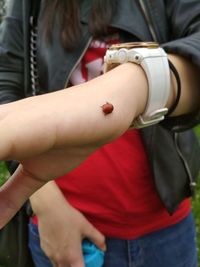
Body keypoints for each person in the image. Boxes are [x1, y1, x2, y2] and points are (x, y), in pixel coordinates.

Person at [0, 0, 200, 266]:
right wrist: (46, 203)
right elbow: (7, 79)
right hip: (61, 221)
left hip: (163, 223)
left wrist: (138, 85)